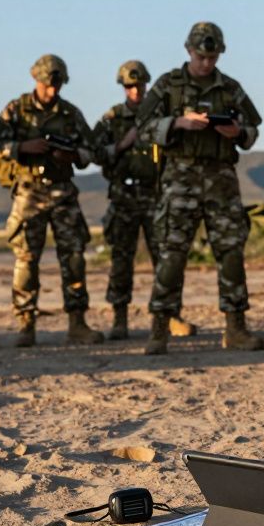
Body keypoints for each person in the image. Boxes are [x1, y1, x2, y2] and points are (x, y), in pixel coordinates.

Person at [136, 22, 264, 355]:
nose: (206, 63)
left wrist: (236, 132)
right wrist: (178, 123)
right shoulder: (168, 85)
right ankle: (159, 329)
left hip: (221, 179)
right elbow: (143, 127)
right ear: (188, 51)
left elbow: (254, 130)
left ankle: (236, 329)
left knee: (231, 252)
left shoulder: (230, 88)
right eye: (200, 56)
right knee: (172, 254)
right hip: (180, 179)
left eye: (212, 56)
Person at [0, 54, 104, 347]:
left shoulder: (70, 113)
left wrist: (73, 155)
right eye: (47, 85)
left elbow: (92, 150)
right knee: (26, 259)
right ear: (36, 80)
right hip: (29, 191)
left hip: (63, 190)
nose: (53, 91)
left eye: (57, 85)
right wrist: (22, 147)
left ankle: (77, 322)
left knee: (74, 257)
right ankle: (25, 325)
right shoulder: (16, 110)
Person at [92, 60, 159, 341]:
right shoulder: (112, 119)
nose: (135, 91)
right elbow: (94, 153)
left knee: (165, 260)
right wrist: (122, 144)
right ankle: (120, 318)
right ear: (123, 87)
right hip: (123, 196)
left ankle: (166, 317)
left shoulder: (158, 116)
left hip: (155, 193)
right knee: (121, 258)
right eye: (130, 86)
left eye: (140, 85)